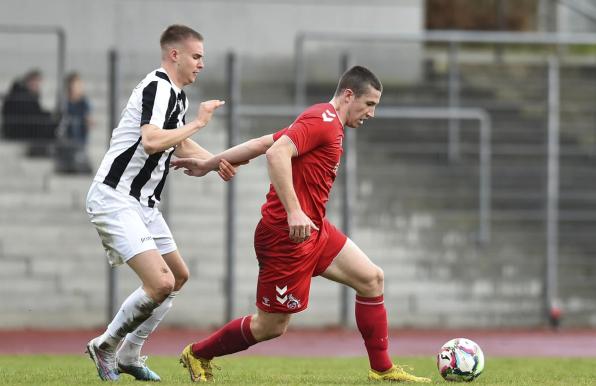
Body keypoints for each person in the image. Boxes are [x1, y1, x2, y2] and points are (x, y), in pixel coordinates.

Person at [172, 66, 431, 383]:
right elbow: (277, 154)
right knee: (271, 327)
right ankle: (198, 353)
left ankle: (382, 369)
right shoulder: (322, 119)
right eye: (370, 104)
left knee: (371, 279)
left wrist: (209, 164)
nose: (372, 113)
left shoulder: (325, 122)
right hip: (286, 235)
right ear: (349, 95)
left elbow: (262, 143)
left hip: (314, 230)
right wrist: (294, 211)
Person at [85, 24, 237, 382]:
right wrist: (200, 123)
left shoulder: (176, 96)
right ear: (175, 55)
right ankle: (106, 345)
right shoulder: (158, 86)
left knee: (178, 276)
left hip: (143, 203)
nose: (201, 64)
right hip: (115, 197)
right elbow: (153, 141)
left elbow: (179, 145)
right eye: (197, 56)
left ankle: (130, 353)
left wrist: (217, 162)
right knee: (160, 283)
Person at [1, 69, 57, 141]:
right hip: (17, 130)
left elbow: (34, 112)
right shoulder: (20, 95)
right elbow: (30, 114)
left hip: (21, 128)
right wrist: (48, 115)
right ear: (28, 81)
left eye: (38, 83)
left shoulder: (26, 94)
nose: (37, 86)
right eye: (35, 82)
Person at [54, 72, 93, 173]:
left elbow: (88, 119)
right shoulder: (64, 103)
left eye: (79, 85)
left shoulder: (84, 103)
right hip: (66, 140)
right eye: (75, 85)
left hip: (79, 140)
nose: (78, 88)